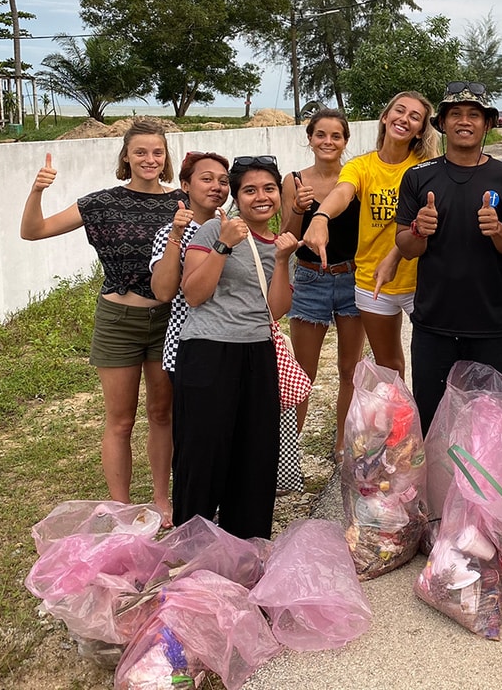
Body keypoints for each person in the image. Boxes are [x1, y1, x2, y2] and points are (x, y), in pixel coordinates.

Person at [20, 120, 184, 527]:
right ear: (125, 156)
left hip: (168, 319)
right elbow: (33, 231)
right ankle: (123, 506)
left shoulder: (181, 203)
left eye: (157, 152)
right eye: (141, 152)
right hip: (117, 320)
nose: (149, 159)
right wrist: (38, 189)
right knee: (120, 418)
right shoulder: (100, 203)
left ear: (166, 159)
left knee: (163, 413)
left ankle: (163, 499)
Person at [173, 156, 300, 539]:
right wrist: (224, 246)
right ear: (236, 196)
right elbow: (193, 293)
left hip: (257, 353)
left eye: (268, 189)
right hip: (208, 352)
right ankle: (191, 541)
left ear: (279, 194)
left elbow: (275, 310)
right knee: (203, 452)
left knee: (255, 452)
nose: (260, 197)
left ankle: (246, 544)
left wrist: (281, 260)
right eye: (249, 190)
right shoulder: (214, 228)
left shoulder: (279, 244)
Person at [394, 82, 502, 432]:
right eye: (455, 114)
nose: (464, 122)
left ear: (487, 124)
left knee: (490, 425)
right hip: (433, 321)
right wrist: (419, 229)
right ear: (442, 123)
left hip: (490, 324)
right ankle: (435, 488)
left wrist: (499, 230)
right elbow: (406, 247)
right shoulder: (419, 177)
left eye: (474, 115)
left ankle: (483, 488)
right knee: (432, 421)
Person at [302, 92, 439, 378]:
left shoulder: (426, 168)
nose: (404, 119)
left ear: (420, 130)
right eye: (399, 111)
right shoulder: (361, 166)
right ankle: (402, 423)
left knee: (433, 365)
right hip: (372, 281)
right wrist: (321, 216)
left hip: (421, 280)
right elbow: (343, 192)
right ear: (385, 117)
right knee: (390, 367)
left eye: (415, 117)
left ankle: (430, 422)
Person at [281, 109, 365, 446]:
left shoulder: (357, 178)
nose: (328, 142)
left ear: (345, 141)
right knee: (302, 374)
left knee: (350, 371)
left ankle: (342, 446)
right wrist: (300, 209)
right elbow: (285, 238)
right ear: (310, 138)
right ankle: (287, 456)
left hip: (351, 278)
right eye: (321, 135)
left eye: (335, 136)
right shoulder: (294, 181)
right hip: (310, 279)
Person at [150, 151, 231, 379]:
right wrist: (176, 234)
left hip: (234, 339)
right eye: (206, 179)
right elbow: (163, 292)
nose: (216, 186)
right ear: (185, 185)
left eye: (223, 181)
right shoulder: (170, 232)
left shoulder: (234, 230)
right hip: (187, 344)